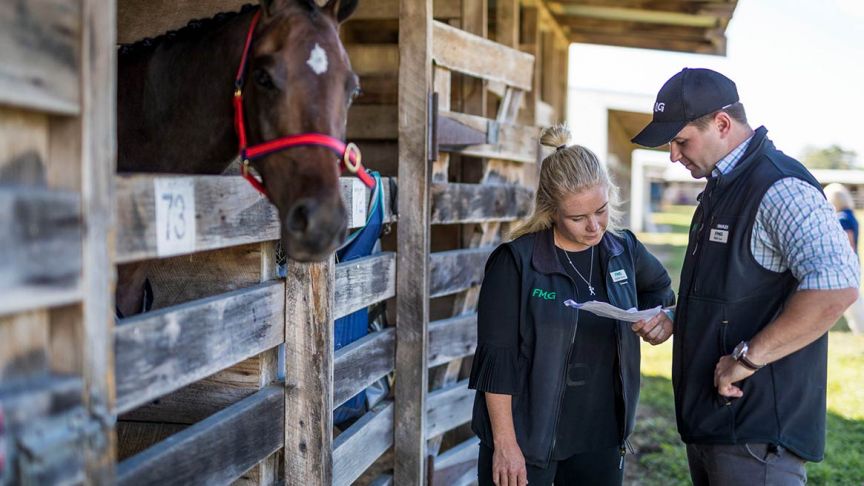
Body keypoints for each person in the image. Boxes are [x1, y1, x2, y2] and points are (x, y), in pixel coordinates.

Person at [631, 68, 860, 485]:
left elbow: (837, 287)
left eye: (681, 141)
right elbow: (739, 290)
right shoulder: (721, 185)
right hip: (715, 423)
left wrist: (748, 357)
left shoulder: (780, 186)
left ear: (721, 123)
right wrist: (677, 316)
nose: (673, 156)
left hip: (756, 435)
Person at [468, 124, 675, 486]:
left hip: (602, 438)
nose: (594, 226)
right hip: (528, 441)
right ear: (551, 211)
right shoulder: (516, 263)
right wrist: (505, 444)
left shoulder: (622, 250)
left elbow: (660, 289)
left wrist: (660, 318)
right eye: (578, 218)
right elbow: (496, 360)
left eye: (601, 209)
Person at [824, 182, 864, 334]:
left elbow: (848, 243)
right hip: (854, 262)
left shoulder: (842, 219)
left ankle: (861, 330)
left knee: (852, 301)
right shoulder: (851, 215)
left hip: (845, 264)